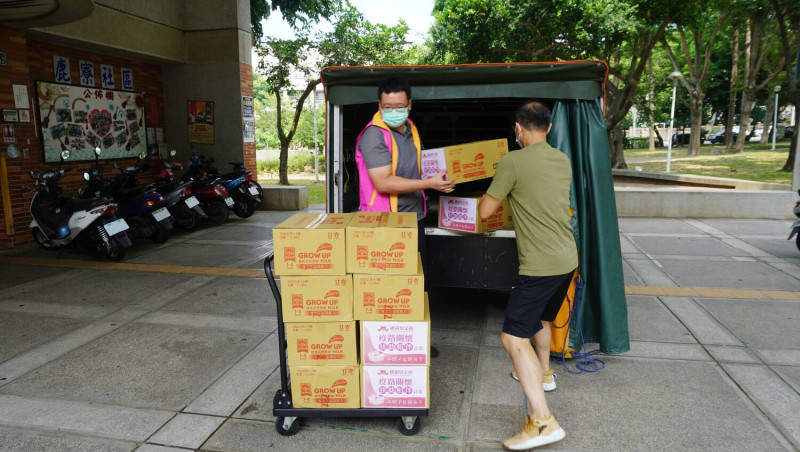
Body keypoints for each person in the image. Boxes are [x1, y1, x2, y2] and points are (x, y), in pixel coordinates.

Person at [478, 101, 577, 450]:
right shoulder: (562, 159)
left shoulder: (512, 161)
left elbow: (486, 209)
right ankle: (544, 374)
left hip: (539, 265)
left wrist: (494, 196)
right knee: (540, 320)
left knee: (512, 339)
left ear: (517, 129)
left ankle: (542, 422)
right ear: (548, 129)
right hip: (567, 259)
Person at [355, 77, 454, 358]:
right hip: (385, 224)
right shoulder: (375, 135)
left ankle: (411, 341)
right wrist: (429, 185)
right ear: (379, 105)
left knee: (414, 284)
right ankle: (383, 347)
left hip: (413, 218)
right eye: (388, 106)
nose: (394, 110)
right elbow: (384, 183)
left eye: (399, 105)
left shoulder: (410, 128)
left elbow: (413, 170)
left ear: (409, 105)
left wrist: (439, 179)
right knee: (388, 287)